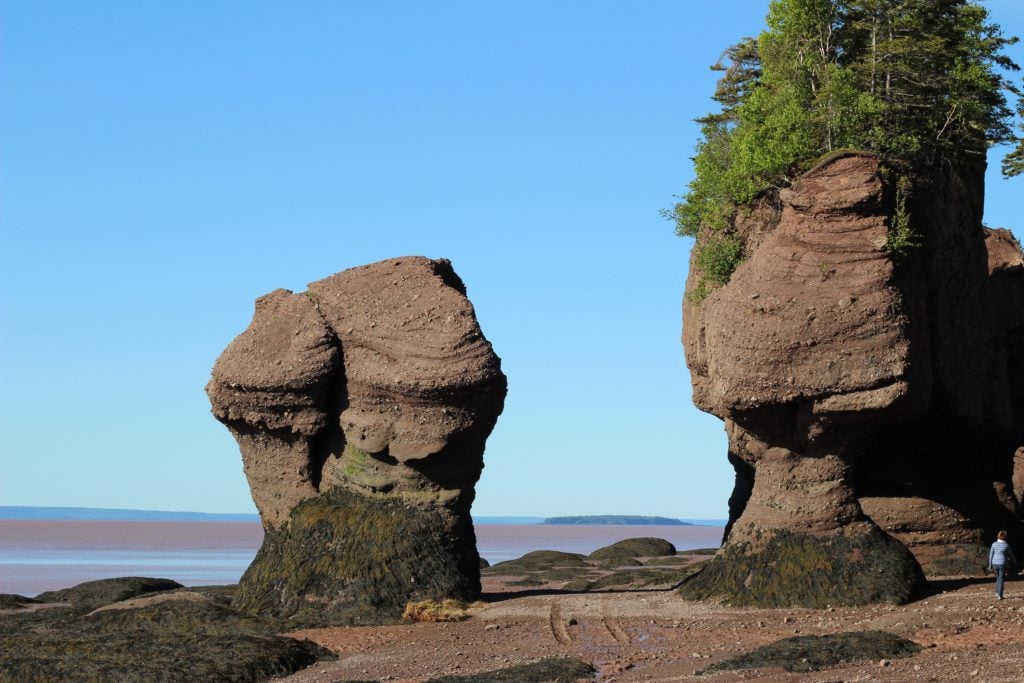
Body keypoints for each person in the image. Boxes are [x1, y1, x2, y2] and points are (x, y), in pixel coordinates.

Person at [988, 530, 1018, 600]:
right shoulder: (1006, 545)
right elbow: (1011, 555)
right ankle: (1000, 595)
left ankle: (997, 592)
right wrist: (1015, 562)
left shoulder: (993, 544)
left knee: (998, 577)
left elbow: (991, 555)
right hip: (1002, 563)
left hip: (994, 563)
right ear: (1005, 537)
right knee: (1001, 578)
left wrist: (989, 565)